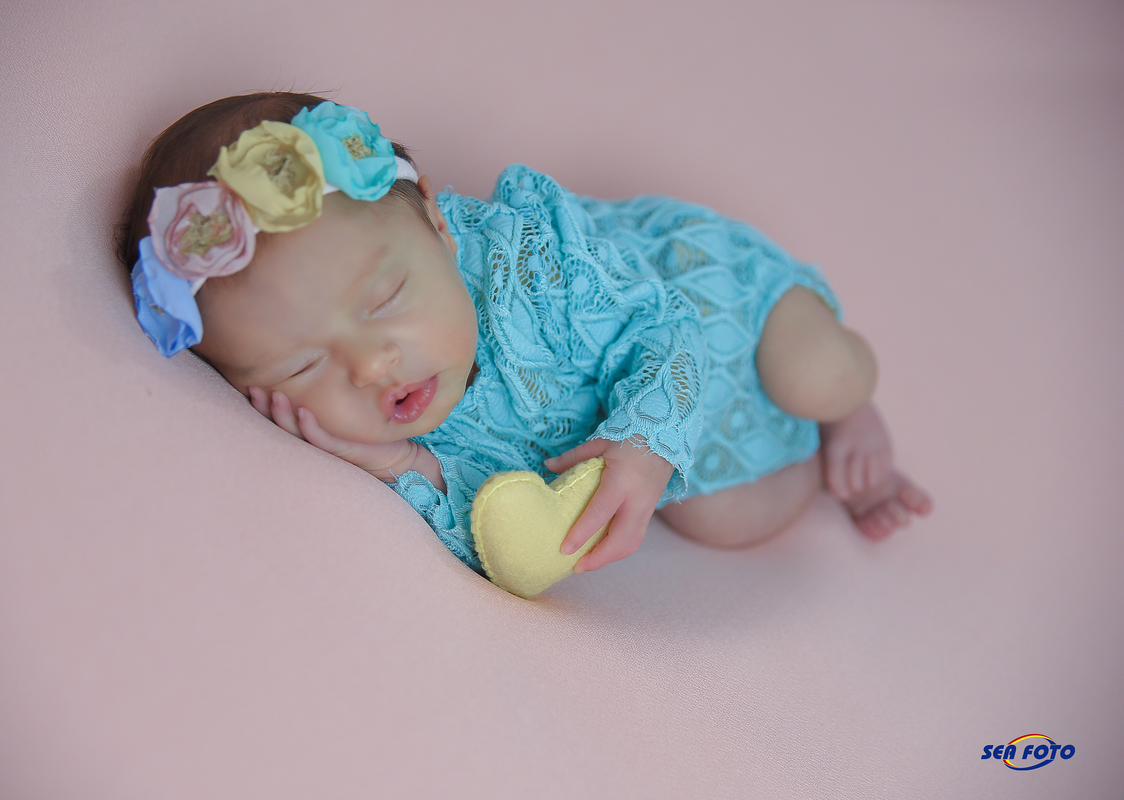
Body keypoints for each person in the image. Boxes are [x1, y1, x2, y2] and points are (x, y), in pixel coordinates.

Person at [118, 91, 931, 578]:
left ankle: (849, 410)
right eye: (301, 367)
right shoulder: (400, 428)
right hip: (657, 433)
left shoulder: (530, 261)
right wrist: (400, 467)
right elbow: (497, 531)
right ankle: (822, 454)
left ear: (437, 225)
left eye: (386, 297)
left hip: (698, 302)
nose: (371, 364)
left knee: (819, 375)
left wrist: (645, 442)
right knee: (731, 522)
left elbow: (666, 327)